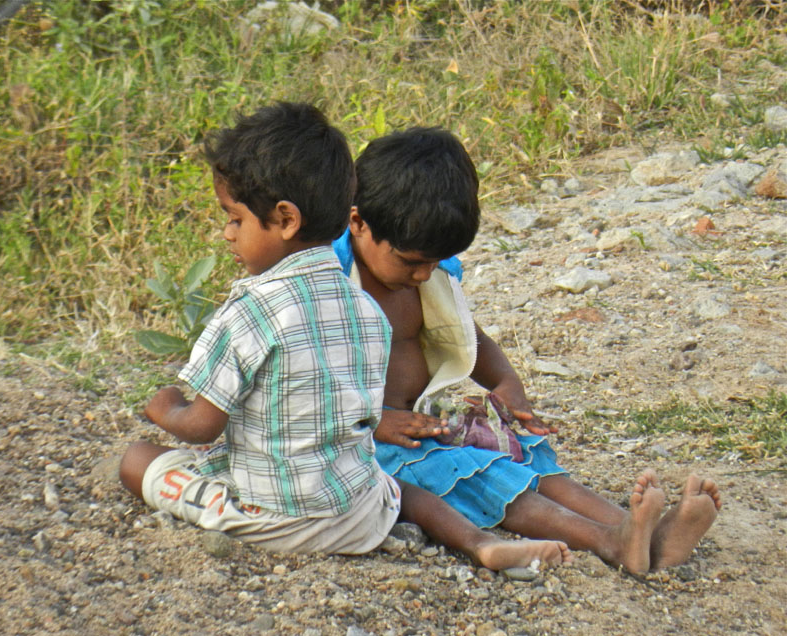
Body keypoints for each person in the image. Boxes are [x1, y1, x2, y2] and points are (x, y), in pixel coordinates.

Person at [119, 103, 572, 570]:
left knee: (138, 459)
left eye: (235, 218)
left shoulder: (248, 311)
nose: (227, 233)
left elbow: (202, 426)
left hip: (278, 519)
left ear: (287, 218)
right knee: (404, 492)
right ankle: (479, 543)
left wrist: (166, 408)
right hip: (361, 510)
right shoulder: (364, 306)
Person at [332, 126, 721, 574]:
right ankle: (609, 541)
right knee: (486, 476)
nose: (424, 275)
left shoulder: (427, 271)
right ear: (358, 223)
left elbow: (466, 334)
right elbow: (305, 380)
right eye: (412, 262)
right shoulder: (331, 283)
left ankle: (641, 532)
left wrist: (506, 381)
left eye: (434, 263)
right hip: (370, 442)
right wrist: (376, 420)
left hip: (421, 425)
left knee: (528, 455)